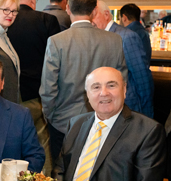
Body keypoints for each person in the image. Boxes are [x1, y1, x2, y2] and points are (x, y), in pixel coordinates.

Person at [39, 0, 127, 164]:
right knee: (99, 175)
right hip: (104, 121)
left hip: (63, 123)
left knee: (62, 176)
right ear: (94, 11)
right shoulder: (114, 41)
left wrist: (51, 118)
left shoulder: (57, 41)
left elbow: (47, 89)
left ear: (67, 8)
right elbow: (121, 85)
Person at [7, 0, 60, 176]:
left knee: (11, 141)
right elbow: (55, 60)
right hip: (36, 93)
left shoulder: (6, 21)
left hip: (9, 95)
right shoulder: (47, 20)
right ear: (33, 2)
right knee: (41, 141)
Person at [92, 1, 153, 118]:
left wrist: (146, 114)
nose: (91, 20)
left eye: (94, 15)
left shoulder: (126, 37)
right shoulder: (97, 36)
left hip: (129, 109)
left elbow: (142, 77)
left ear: (106, 14)